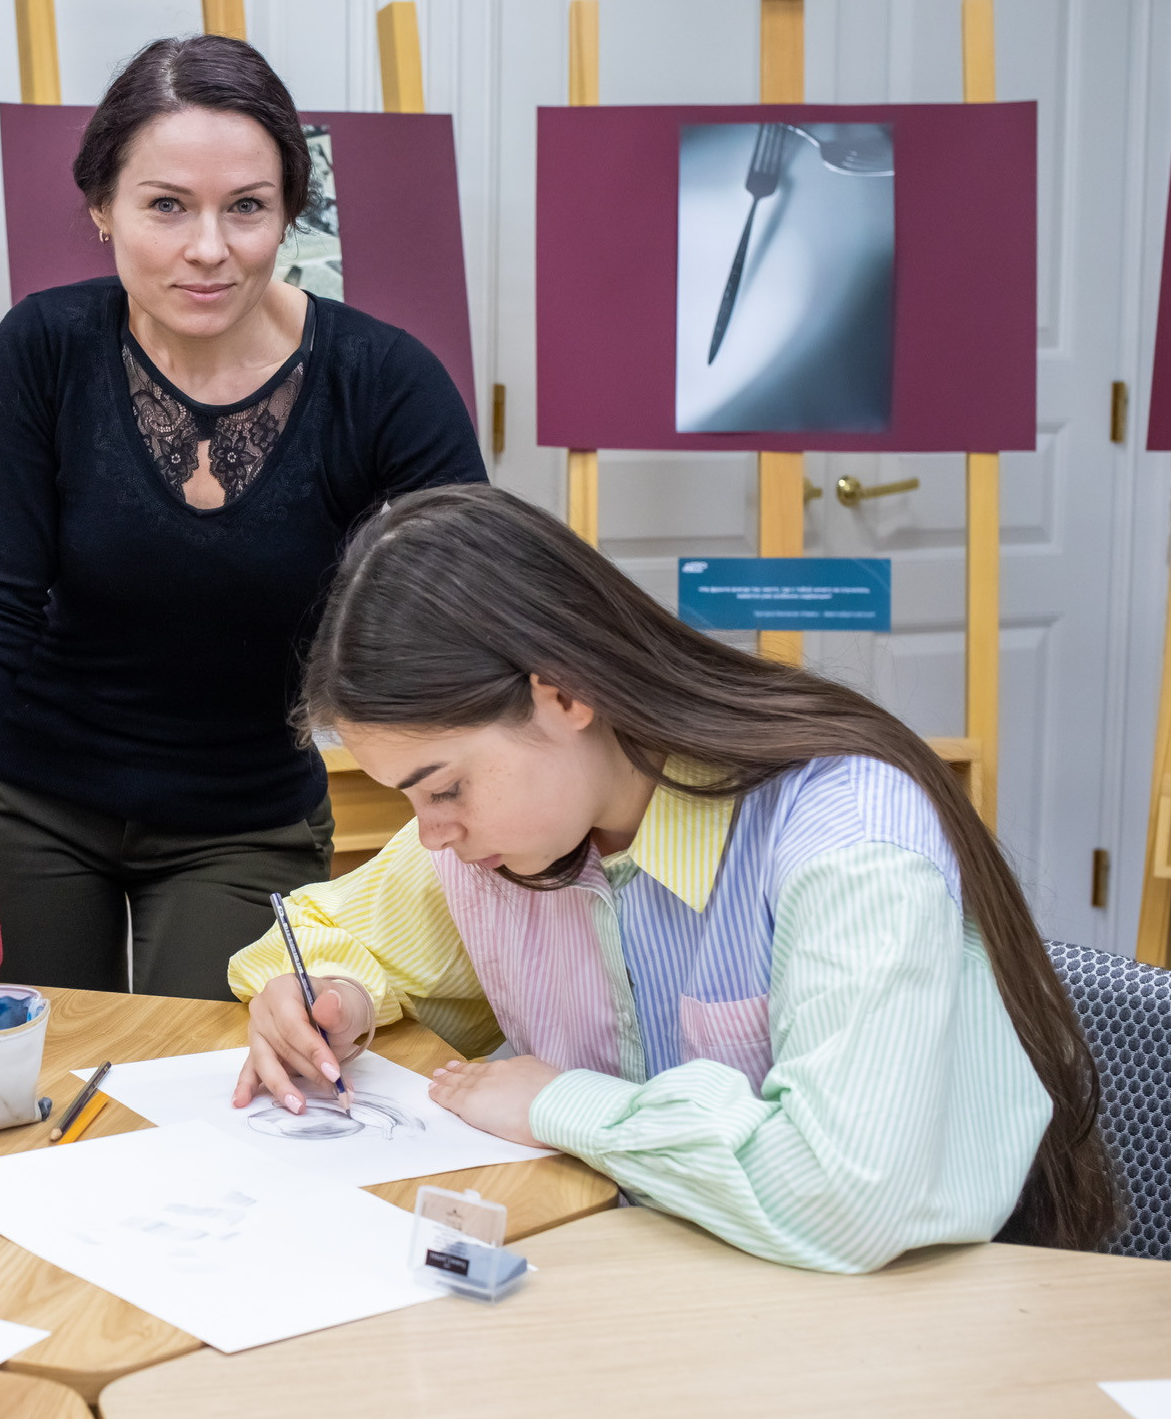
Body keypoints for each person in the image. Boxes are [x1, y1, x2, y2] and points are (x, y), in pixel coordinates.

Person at [230, 485, 1116, 1273]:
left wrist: (566, 1106)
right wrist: (328, 992)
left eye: (447, 787)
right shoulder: (497, 842)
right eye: (411, 800)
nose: (433, 834)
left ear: (566, 696)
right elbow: (319, 935)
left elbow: (848, 1194)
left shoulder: (843, 835)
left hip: (890, 1315)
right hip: (660, 1275)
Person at [0, 35, 486, 999]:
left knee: (216, 1094)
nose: (208, 248)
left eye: (246, 207)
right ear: (102, 207)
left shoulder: (385, 379)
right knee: (16, 1071)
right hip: (31, 799)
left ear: (288, 211)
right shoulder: (45, 348)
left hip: (247, 817)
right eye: (167, 205)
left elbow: (477, 616)